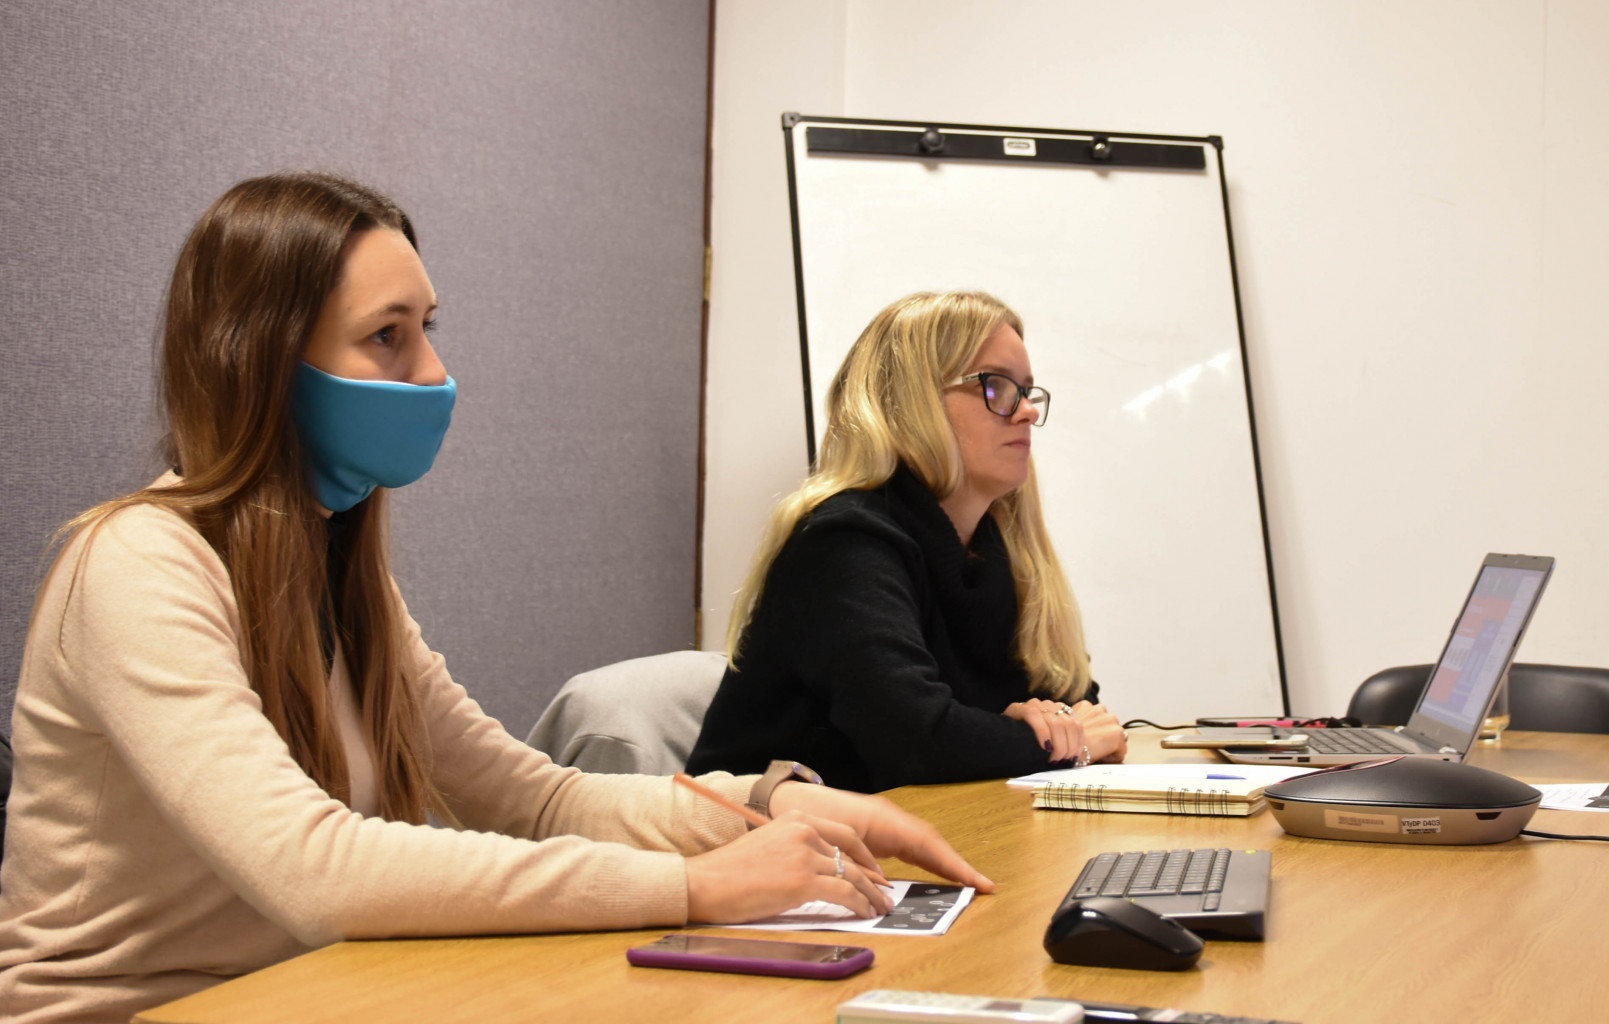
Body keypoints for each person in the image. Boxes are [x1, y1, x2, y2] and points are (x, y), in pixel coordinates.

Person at [0, 174, 990, 1024]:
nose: (433, 373)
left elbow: (536, 799)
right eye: (386, 337)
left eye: (426, 330)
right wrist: (691, 886)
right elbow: (314, 871)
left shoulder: (334, 571)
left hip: (303, 998)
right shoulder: (134, 563)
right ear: (257, 361)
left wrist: (765, 804)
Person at [687, 291, 1129, 793]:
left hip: (914, 829)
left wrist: (1048, 729)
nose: (1026, 410)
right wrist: (1052, 740)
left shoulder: (1001, 551)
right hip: (760, 835)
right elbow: (918, 741)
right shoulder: (843, 542)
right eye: (997, 386)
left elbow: (1082, 710)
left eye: (1027, 391)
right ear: (910, 402)